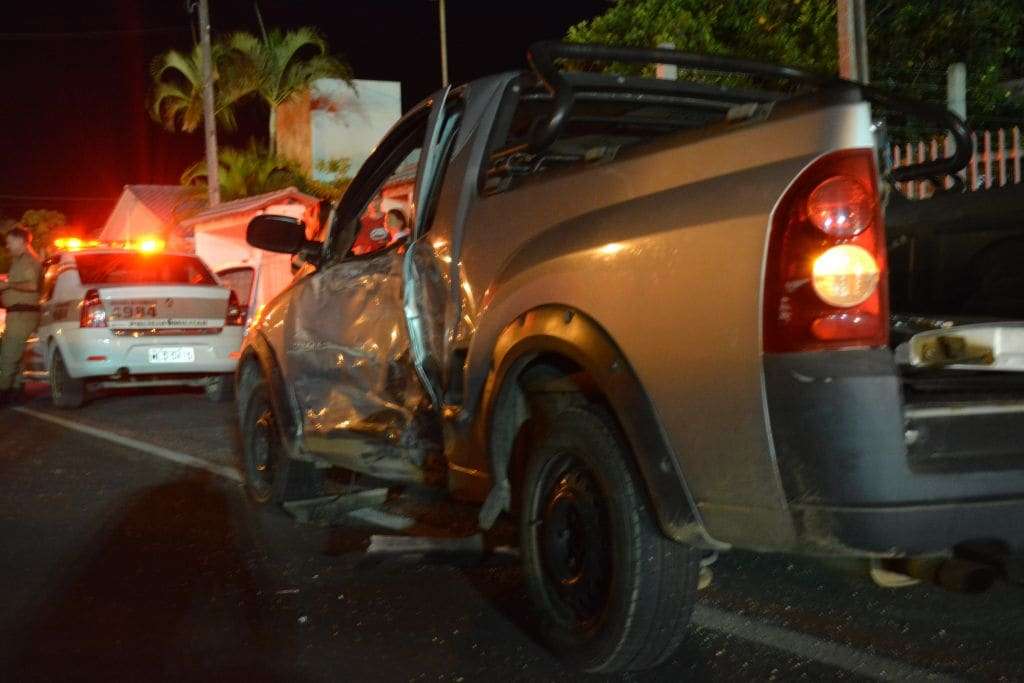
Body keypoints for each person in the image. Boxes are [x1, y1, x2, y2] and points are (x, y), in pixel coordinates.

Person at [0, 227, 41, 406]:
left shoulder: (29, 261)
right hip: (18, 314)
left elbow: (32, 285)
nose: (7, 245)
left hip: (22, 313)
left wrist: (7, 285)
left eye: (10, 241)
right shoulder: (19, 261)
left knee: (8, 357)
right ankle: (14, 393)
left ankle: (2, 394)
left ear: (21, 241)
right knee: (15, 357)